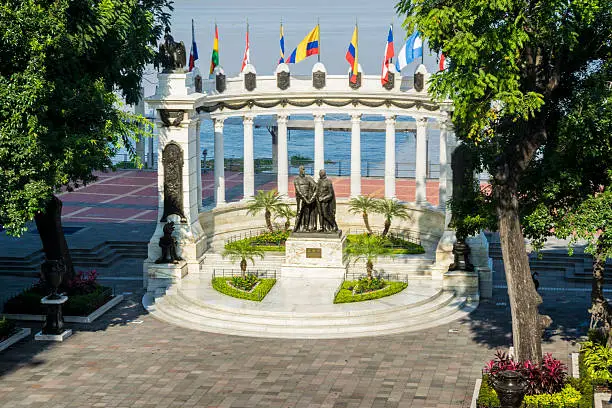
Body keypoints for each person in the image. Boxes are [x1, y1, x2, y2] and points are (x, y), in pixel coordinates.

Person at [293, 166, 317, 232]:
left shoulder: (308, 178)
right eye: (302, 169)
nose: (303, 170)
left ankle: (306, 227)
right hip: (301, 199)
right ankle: (296, 227)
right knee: (299, 212)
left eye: (304, 169)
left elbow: (316, 186)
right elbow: (298, 191)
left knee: (307, 213)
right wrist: (305, 200)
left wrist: (312, 198)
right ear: (299, 170)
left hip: (308, 198)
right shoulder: (296, 180)